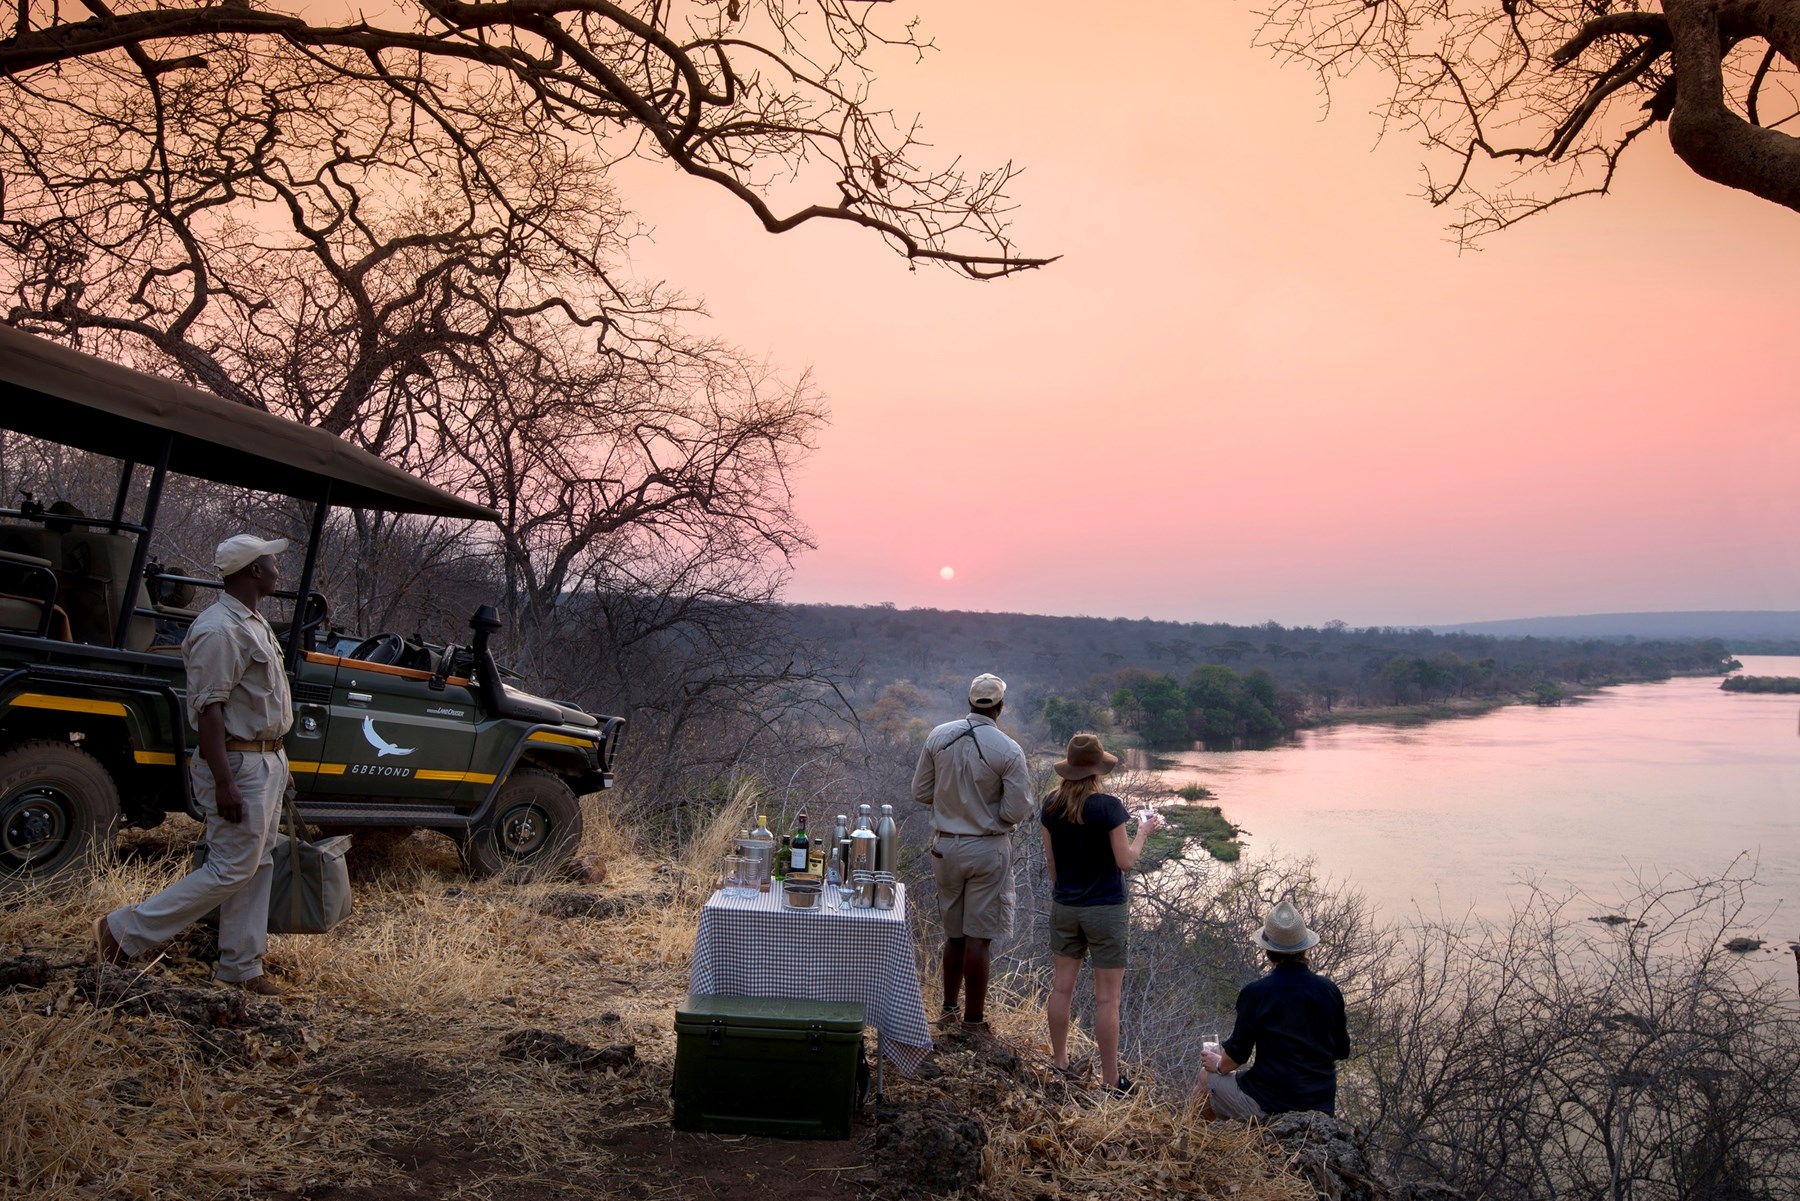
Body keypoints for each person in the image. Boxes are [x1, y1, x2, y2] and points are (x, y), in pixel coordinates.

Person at [95, 534, 295, 996]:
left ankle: (241, 967)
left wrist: (279, 764)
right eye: (269, 559)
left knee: (256, 863)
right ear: (253, 571)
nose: (275, 564)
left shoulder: (251, 622)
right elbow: (210, 712)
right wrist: (224, 782)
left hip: (265, 760)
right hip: (240, 764)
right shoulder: (219, 629)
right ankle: (123, 932)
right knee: (230, 867)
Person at [1040, 732, 1161, 1094]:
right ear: (1097, 771)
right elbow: (1124, 862)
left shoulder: (1050, 804)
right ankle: (1111, 1081)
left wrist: (1067, 891)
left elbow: (1051, 862)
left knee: (1061, 988)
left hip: (1065, 906)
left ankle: (1059, 1062)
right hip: (1105, 910)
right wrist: (1144, 832)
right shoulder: (1108, 806)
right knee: (1108, 998)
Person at [912, 672, 1034, 1031]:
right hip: (986, 849)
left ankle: (948, 1010)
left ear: (969, 701)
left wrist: (952, 805)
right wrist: (985, 813)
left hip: (945, 847)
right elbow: (1015, 811)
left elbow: (921, 791)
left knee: (954, 934)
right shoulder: (1008, 749)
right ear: (1000, 706)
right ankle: (974, 1021)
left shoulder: (938, 736)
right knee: (979, 936)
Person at [1197, 898, 1350, 1119]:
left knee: (1205, 1078)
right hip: (1321, 1107)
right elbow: (1342, 1050)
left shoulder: (1257, 993)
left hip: (1270, 1104)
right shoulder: (1329, 990)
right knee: (1223, 1087)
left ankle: (1190, 1141)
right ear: (1305, 947)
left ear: (1268, 951)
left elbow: (1236, 1057)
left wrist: (1217, 1065)